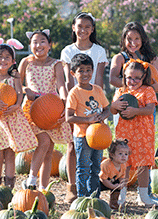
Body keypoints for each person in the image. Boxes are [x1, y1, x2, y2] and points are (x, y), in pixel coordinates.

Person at [60, 12, 108, 203]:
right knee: (73, 146)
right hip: (75, 103)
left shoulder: (98, 51)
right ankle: (73, 187)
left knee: (95, 148)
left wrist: (98, 110)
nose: (83, 30)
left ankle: (92, 193)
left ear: (92, 29)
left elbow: (99, 81)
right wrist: (71, 103)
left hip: (94, 102)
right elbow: (66, 80)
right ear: (74, 28)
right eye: (79, 26)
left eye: (87, 26)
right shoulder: (67, 51)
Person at [19, 29, 72, 190]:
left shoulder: (56, 64)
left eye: (42, 41)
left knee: (49, 150)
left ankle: (43, 188)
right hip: (32, 109)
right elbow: (16, 84)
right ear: (30, 45)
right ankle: (31, 181)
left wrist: (64, 104)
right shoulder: (26, 62)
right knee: (44, 141)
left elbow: (61, 86)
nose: (38, 45)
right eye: (34, 42)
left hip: (52, 108)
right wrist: (24, 90)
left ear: (49, 45)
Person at [0, 38, 38, 188]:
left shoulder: (15, 77)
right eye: (0, 57)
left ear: (13, 61)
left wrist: (17, 105)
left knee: (11, 153)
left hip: (12, 117)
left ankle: (9, 187)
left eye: (7, 57)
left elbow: (20, 92)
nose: (3, 60)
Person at [110, 59, 158, 206]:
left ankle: (143, 195)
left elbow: (151, 109)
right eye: (129, 77)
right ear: (124, 76)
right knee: (124, 164)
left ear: (143, 77)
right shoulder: (120, 91)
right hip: (125, 134)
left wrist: (136, 111)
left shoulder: (147, 91)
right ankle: (121, 194)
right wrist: (114, 105)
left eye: (137, 78)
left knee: (143, 164)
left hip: (143, 134)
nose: (133, 81)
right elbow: (112, 110)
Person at [66, 53, 110, 198]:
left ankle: (94, 197)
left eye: (88, 70)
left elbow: (107, 108)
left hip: (99, 136)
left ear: (92, 71)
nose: (85, 74)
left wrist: (102, 117)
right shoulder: (74, 93)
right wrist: (89, 120)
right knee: (83, 168)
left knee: (96, 168)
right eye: (81, 71)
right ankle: (82, 197)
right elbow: (69, 117)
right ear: (73, 73)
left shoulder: (97, 90)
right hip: (82, 137)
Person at [109, 21, 158, 92]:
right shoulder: (119, 58)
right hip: (125, 99)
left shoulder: (152, 58)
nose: (133, 43)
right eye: (129, 39)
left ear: (142, 39)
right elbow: (112, 79)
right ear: (124, 40)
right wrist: (133, 85)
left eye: (137, 39)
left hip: (147, 100)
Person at [99, 139, 130, 209]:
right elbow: (102, 178)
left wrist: (122, 184)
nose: (123, 156)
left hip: (111, 181)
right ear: (112, 154)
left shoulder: (123, 165)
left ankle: (114, 202)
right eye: (120, 154)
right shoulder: (106, 165)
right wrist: (112, 186)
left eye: (126, 154)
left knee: (118, 184)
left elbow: (121, 176)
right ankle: (96, 200)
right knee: (95, 186)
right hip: (101, 182)